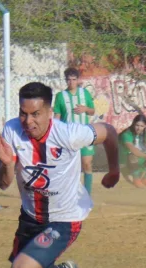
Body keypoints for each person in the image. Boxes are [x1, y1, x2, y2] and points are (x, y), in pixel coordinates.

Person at [0, 82, 119, 268]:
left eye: (36, 114)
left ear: (50, 112)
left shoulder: (69, 133)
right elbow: (3, 183)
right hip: (30, 216)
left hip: (65, 217)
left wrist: (114, 169)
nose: (28, 121)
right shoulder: (11, 131)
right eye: (23, 113)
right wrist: (6, 164)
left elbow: (108, 131)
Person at [53, 67, 96, 195]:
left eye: (74, 79)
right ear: (66, 81)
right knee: (70, 168)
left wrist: (85, 109)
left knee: (87, 164)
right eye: (69, 80)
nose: (71, 82)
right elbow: (57, 118)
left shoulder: (85, 94)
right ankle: (70, 194)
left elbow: (92, 111)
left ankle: (87, 194)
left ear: (78, 80)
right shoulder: (60, 96)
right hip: (68, 137)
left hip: (85, 134)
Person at [119, 114, 146, 188]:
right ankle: (136, 179)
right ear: (133, 124)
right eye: (137, 125)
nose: (139, 128)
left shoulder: (145, 135)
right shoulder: (126, 134)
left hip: (141, 159)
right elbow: (134, 150)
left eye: (141, 126)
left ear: (145, 126)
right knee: (133, 156)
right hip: (126, 162)